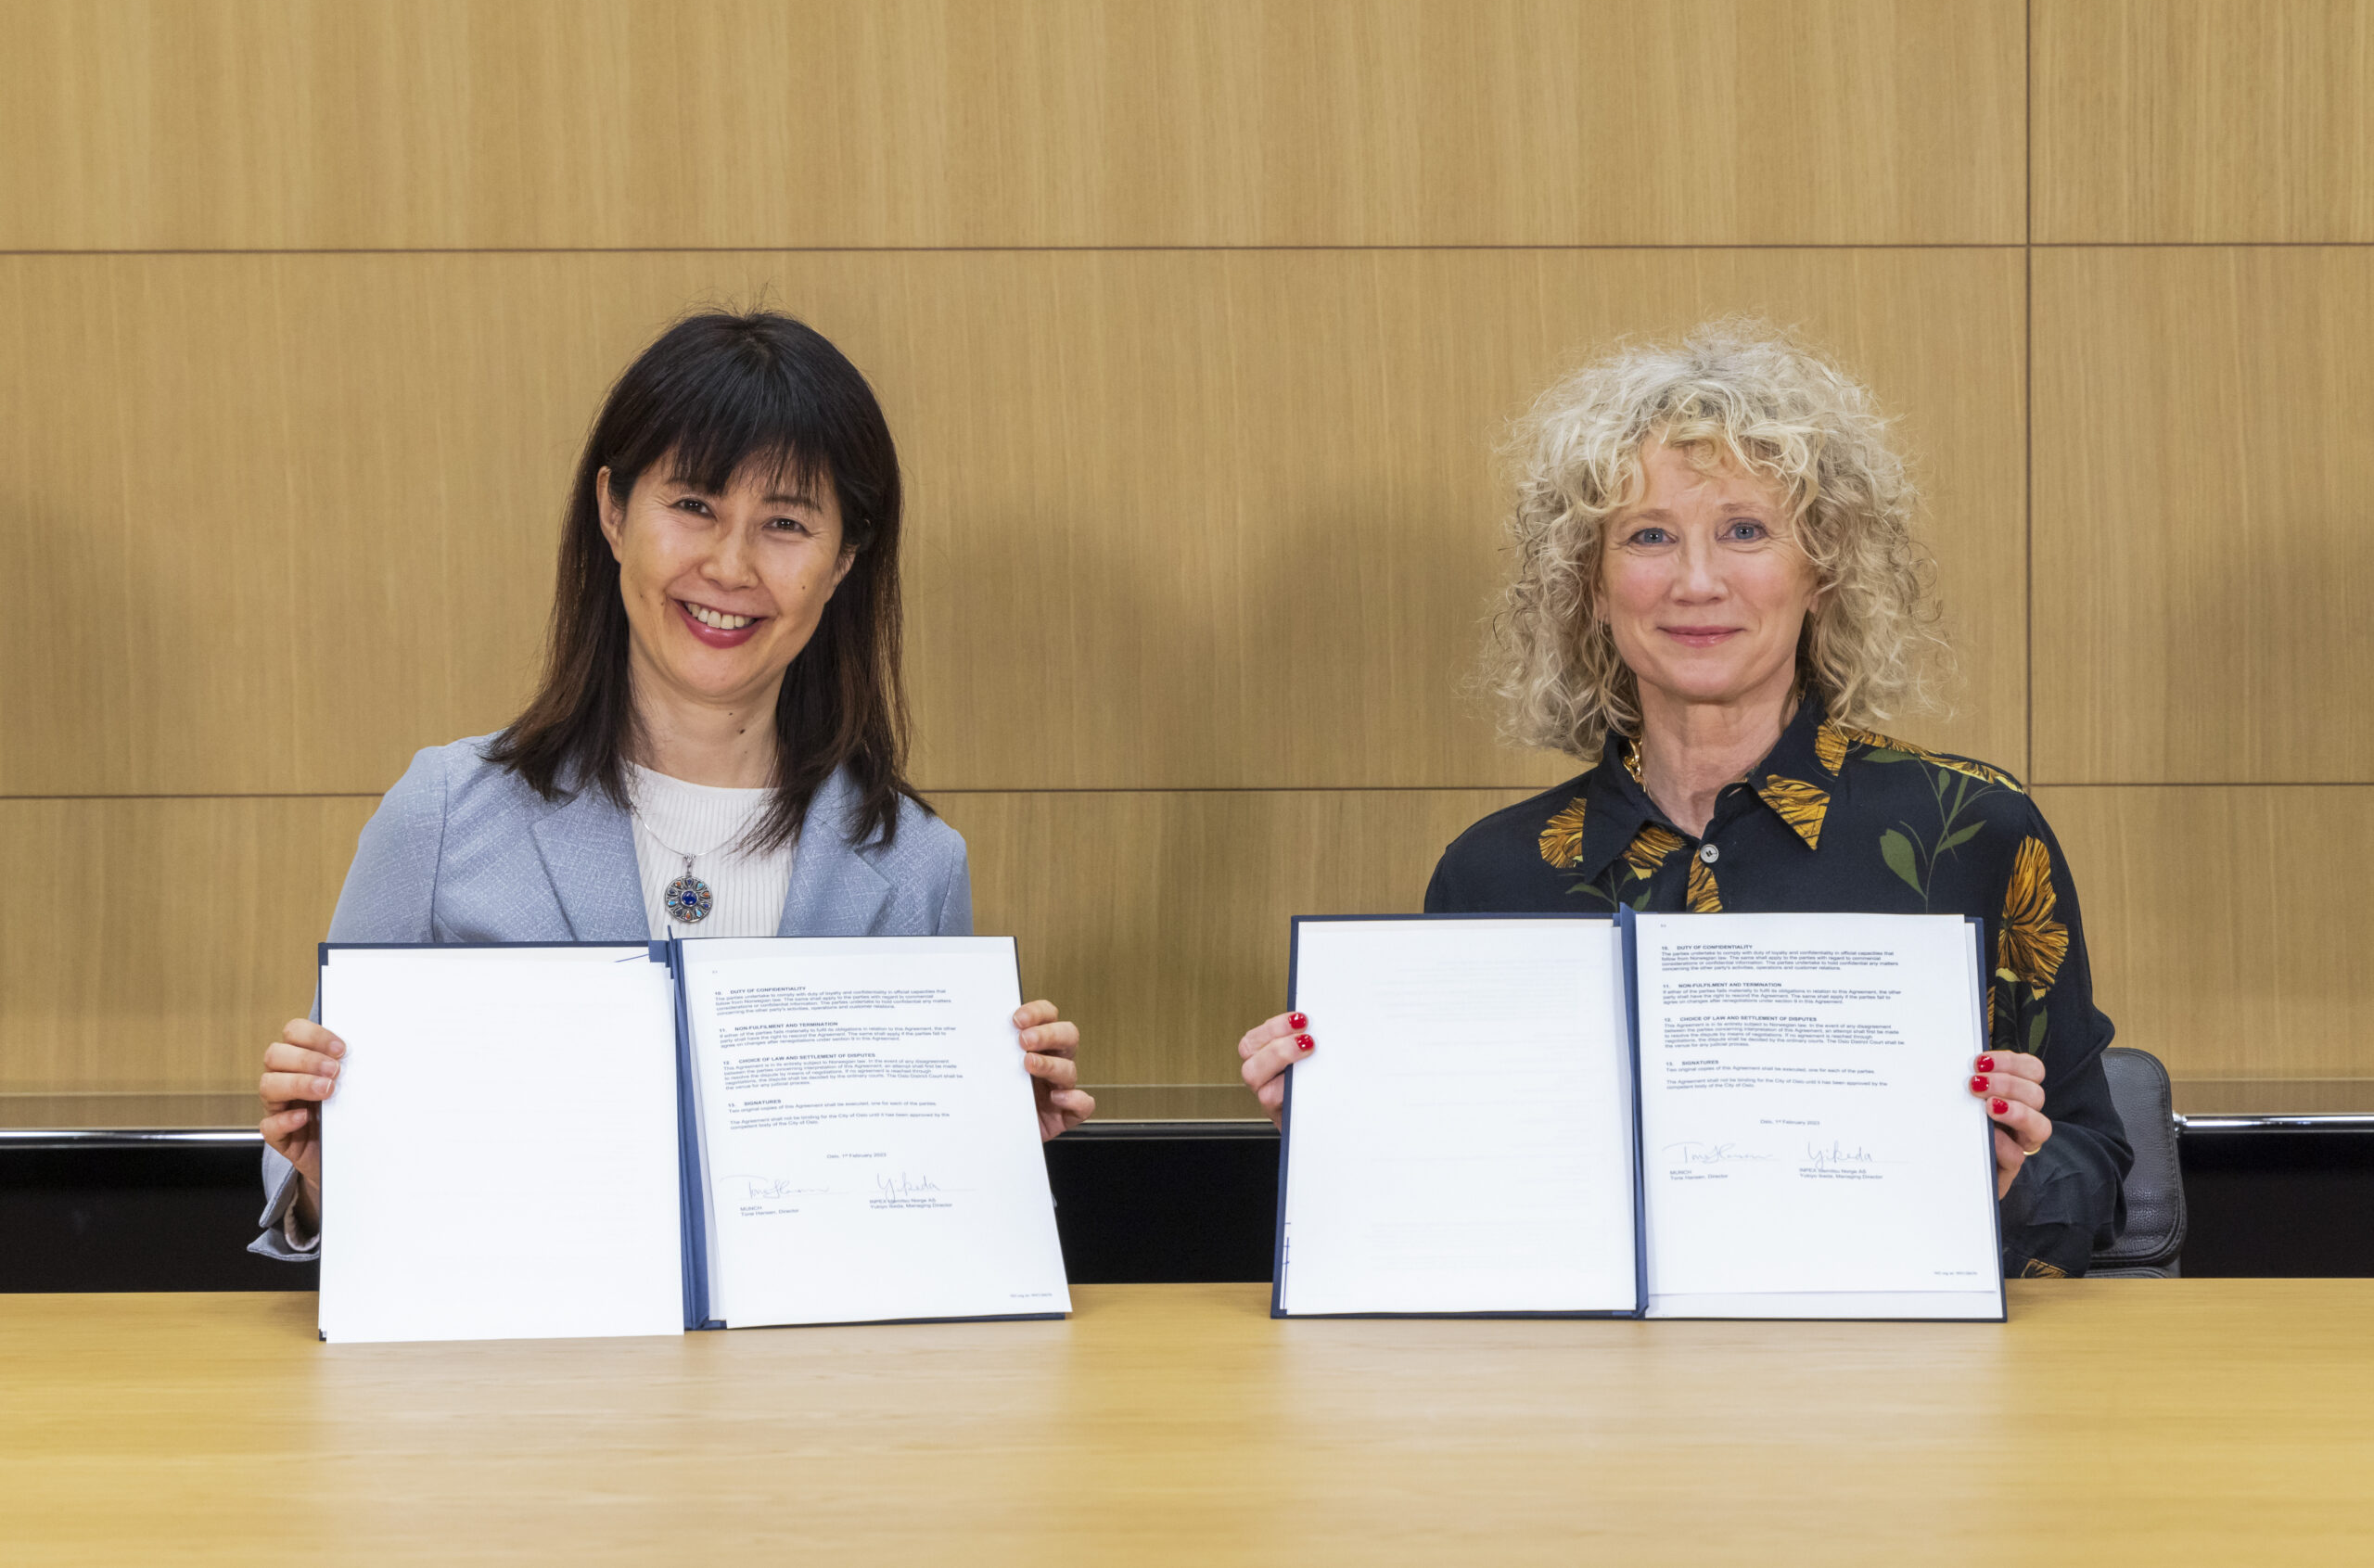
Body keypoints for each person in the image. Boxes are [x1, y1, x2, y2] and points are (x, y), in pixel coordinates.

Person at [1237, 321, 2130, 1278]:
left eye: (1744, 531)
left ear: (1821, 570)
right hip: (1588, 1403)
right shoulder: (1496, 868)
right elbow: (1463, 1204)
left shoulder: (1970, 828)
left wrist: (2008, 1174)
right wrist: (1347, 1119)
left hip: (1891, 1392)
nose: (1696, 581)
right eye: (1649, 536)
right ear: (1589, 583)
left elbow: (2100, 1177)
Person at [252, 309, 1094, 1259]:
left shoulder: (914, 864)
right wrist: (328, 1175)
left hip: (808, 1402)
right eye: (693, 505)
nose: (729, 567)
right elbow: (312, 1193)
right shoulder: (442, 815)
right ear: (613, 511)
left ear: (844, 561)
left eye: (784, 523)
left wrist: (984, 1146)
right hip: (510, 1393)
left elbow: (911, 1238)